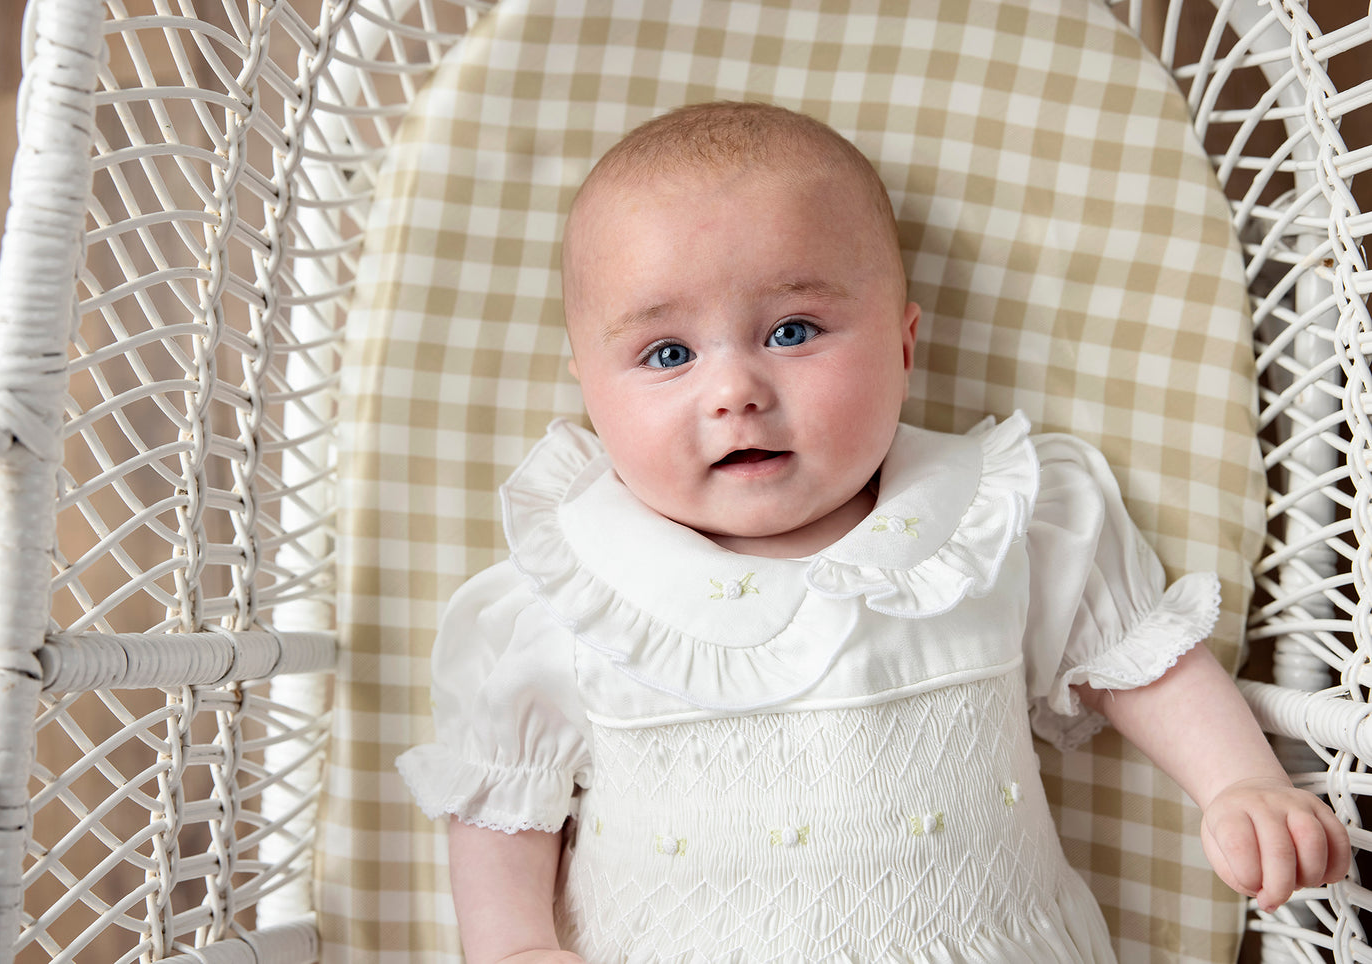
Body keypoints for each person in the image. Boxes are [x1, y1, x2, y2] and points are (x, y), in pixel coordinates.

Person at [397, 102, 1349, 963]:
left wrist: (1238, 784)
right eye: (667, 353)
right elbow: (502, 800)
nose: (734, 391)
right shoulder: (570, 589)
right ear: (589, 389)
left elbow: (1139, 657)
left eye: (792, 331)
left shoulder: (991, 517)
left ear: (901, 343)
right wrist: (516, 947)